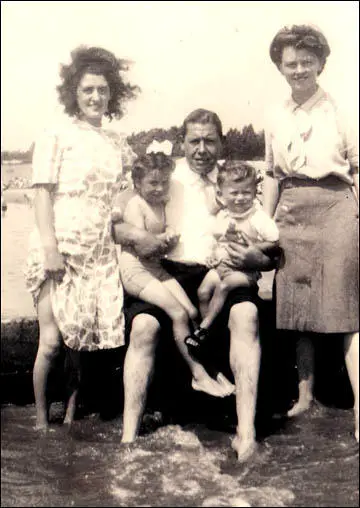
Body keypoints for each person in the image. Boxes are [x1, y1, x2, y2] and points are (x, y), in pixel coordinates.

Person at [113, 108, 279, 461]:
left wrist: (257, 259)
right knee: (143, 325)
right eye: (194, 141)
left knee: (247, 314)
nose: (202, 149)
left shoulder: (236, 182)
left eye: (209, 140)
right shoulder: (164, 178)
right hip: (170, 272)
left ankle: (246, 434)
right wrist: (133, 234)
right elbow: (118, 217)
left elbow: (271, 247)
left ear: (221, 142)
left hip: (219, 270)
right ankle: (128, 440)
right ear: (182, 144)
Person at [24, 45, 139, 430]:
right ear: (74, 92)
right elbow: (41, 194)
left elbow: (129, 191)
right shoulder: (55, 135)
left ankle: (71, 420)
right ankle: (41, 423)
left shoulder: (116, 142)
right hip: (60, 246)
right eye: (88, 90)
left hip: (100, 252)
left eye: (102, 91)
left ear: (112, 95)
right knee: (53, 343)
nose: (95, 98)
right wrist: (49, 247)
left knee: (81, 348)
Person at [262, 25, 359, 441]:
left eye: (306, 61)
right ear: (280, 68)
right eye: (290, 63)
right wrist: (264, 227)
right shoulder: (275, 114)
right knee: (299, 313)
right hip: (290, 213)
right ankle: (305, 396)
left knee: (347, 311)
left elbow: (356, 168)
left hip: (337, 208)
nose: (299, 69)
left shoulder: (342, 109)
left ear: (321, 63)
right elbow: (269, 173)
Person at [119, 147, 235, 397]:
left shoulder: (160, 202)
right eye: (152, 183)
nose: (159, 188)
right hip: (135, 271)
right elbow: (145, 245)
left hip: (155, 268)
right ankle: (198, 375)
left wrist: (171, 234)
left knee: (193, 312)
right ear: (137, 183)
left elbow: (167, 229)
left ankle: (211, 369)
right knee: (178, 313)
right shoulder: (135, 206)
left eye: (163, 183)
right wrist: (164, 239)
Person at [185, 159, 279, 354]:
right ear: (221, 195)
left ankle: (203, 329)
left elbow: (275, 242)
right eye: (234, 193)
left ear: (255, 192)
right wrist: (212, 255)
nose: (240, 198)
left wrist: (254, 247)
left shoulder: (258, 217)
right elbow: (217, 240)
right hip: (222, 265)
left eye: (246, 192)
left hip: (244, 273)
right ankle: (211, 331)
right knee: (203, 291)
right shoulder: (224, 215)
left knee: (224, 286)